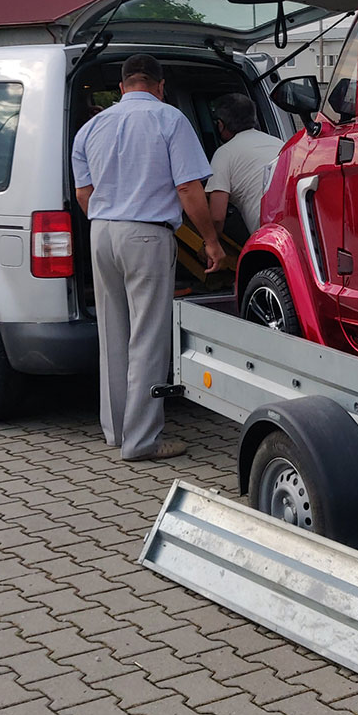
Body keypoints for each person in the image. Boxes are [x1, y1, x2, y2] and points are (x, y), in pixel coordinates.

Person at [71, 54, 226, 461]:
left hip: (101, 231)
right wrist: (210, 240)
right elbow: (188, 189)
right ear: (160, 86)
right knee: (147, 337)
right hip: (146, 234)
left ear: (122, 87)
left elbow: (84, 194)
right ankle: (142, 441)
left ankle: (116, 431)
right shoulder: (170, 119)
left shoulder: (90, 128)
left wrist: (111, 218)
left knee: (113, 334)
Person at [206, 93, 284, 236]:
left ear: (221, 124)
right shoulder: (280, 144)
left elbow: (217, 216)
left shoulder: (225, 153)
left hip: (268, 234)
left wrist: (210, 243)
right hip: (298, 226)